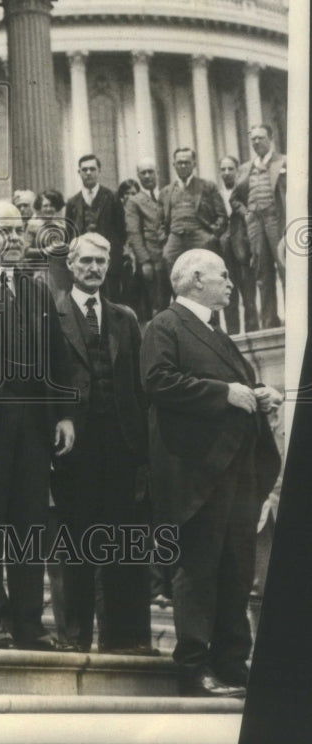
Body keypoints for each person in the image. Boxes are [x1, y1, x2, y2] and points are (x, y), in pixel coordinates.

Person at [141, 249, 281, 697]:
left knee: (236, 569)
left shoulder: (217, 333)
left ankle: (232, 663)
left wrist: (258, 394)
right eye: (223, 275)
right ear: (196, 279)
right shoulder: (165, 325)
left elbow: (235, 387)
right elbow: (158, 381)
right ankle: (194, 667)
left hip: (237, 470)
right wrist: (225, 393)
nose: (231, 283)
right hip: (197, 473)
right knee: (198, 569)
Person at [0, 200, 76, 651]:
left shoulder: (36, 289)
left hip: (34, 428)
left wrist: (64, 414)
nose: (17, 238)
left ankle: (29, 622)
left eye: (21, 230)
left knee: (30, 525)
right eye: (6, 230)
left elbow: (58, 358)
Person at [52, 233, 153, 655]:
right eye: (86, 261)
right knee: (77, 539)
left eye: (101, 262)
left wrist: (144, 449)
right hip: (73, 446)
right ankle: (75, 636)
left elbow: (140, 388)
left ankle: (125, 636)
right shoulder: (51, 313)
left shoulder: (125, 318)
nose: (94, 268)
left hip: (122, 445)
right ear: (71, 265)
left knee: (124, 539)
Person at [231, 125, 286, 329]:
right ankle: (270, 323)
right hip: (255, 224)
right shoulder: (246, 168)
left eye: (260, 138)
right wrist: (246, 213)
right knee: (262, 274)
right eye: (253, 139)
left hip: (277, 222)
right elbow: (235, 199)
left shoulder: (283, 161)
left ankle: (297, 320)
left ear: (270, 138)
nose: (256, 142)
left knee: (286, 268)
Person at [64, 155, 126, 300]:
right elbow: (69, 234)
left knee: (111, 301)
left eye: (92, 169)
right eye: (84, 169)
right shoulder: (72, 203)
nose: (88, 173)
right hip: (83, 264)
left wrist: (114, 255)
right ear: (79, 172)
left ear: (99, 171)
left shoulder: (112, 197)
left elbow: (121, 231)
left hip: (108, 262)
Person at [159, 147, 227, 272]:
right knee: (168, 258)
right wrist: (164, 239)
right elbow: (160, 221)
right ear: (174, 165)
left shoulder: (207, 186)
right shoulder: (166, 191)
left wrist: (212, 237)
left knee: (203, 268)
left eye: (187, 162)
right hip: (175, 236)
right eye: (179, 163)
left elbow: (222, 215)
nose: (183, 166)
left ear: (194, 164)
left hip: (200, 235)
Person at [218, 155, 260, 334]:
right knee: (228, 296)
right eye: (223, 169)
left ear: (237, 171)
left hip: (243, 248)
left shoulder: (243, 193)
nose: (227, 173)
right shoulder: (216, 194)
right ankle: (232, 337)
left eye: (230, 169)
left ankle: (253, 333)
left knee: (249, 295)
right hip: (223, 252)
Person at [124, 158, 168, 322]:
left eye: (151, 172)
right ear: (138, 175)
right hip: (153, 260)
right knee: (158, 306)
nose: (148, 176)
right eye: (143, 173)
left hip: (171, 257)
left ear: (157, 172)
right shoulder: (134, 201)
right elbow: (134, 233)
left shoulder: (166, 194)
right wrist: (145, 262)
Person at [24, 189, 72, 297]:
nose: (49, 209)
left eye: (52, 205)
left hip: (61, 273)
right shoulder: (32, 225)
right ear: (40, 207)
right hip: (41, 272)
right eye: (45, 206)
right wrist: (46, 251)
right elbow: (25, 251)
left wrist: (66, 248)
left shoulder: (61, 226)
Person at [116, 179, 142, 314]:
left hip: (138, 253)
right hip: (122, 253)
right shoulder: (117, 211)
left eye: (133, 193)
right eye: (127, 193)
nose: (130, 197)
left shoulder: (140, 210)